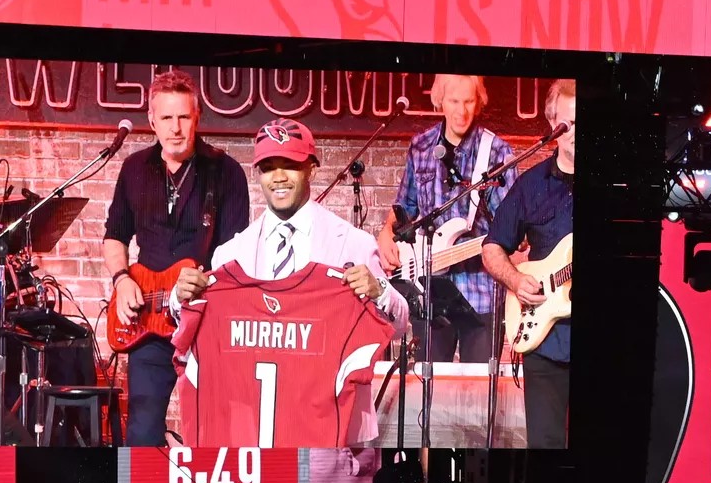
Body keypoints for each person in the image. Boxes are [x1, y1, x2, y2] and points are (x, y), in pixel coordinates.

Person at [171, 117, 409, 445]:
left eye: (290, 165)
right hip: (255, 425)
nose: (279, 177)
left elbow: (396, 327)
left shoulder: (354, 244)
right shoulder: (231, 253)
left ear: (311, 167)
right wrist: (179, 298)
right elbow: (202, 324)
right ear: (258, 174)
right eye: (269, 167)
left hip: (334, 427)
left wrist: (379, 290)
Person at [101, 69, 251, 445]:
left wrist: (206, 281)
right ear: (152, 120)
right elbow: (114, 237)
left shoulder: (226, 172)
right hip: (147, 324)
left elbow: (238, 255)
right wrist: (122, 280)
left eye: (184, 117)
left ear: (197, 116)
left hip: (206, 323)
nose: (176, 128)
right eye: (166, 118)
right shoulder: (133, 168)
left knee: (212, 431)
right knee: (142, 432)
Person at [377, 74, 516, 363]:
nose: (461, 111)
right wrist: (385, 233)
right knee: (426, 388)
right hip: (429, 290)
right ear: (440, 100)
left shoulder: (498, 153)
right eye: (454, 101)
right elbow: (405, 206)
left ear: (478, 103)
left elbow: (512, 226)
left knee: (477, 394)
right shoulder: (421, 147)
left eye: (469, 101)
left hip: (480, 291)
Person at [480, 79, 576, 448]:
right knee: (546, 444)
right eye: (567, 123)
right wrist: (516, 280)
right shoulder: (531, 184)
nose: (574, 133)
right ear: (553, 125)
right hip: (545, 340)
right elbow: (492, 247)